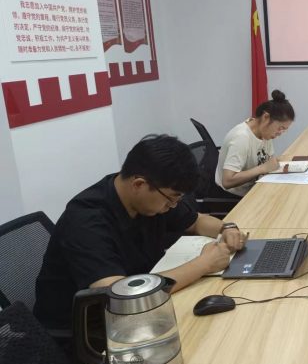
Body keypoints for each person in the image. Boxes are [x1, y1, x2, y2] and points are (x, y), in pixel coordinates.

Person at [34, 134, 248, 339]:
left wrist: (227, 228)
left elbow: (196, 221)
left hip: (141, 310)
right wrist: (204, 264)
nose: (173, 206)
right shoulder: (85, 220)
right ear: (138, 184)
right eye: (171, 199)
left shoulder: (150, 197)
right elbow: (121, 296)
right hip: (90, 332)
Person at [215, 90, 295, 196]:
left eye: (284, 130)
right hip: (233, 195)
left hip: (256, 186)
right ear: (266, 117)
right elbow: (227, 181)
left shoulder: (264, 132)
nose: (280, 133)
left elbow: (269, 161)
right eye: (280, 128)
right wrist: (262, 168)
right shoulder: (241, 137)